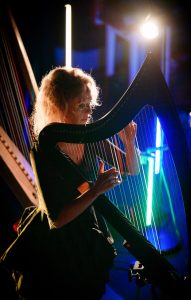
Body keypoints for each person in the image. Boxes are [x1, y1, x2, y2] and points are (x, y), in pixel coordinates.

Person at [1, 66, 140, 300]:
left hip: (88, 231)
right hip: (56, 244)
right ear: (59, 105)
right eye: (80, 106)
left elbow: (132, 170)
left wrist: (129, 143)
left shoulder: (88, 136)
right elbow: (57, 220)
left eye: (90, 105)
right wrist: (95, 190)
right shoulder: (44, 151)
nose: (88, 113)